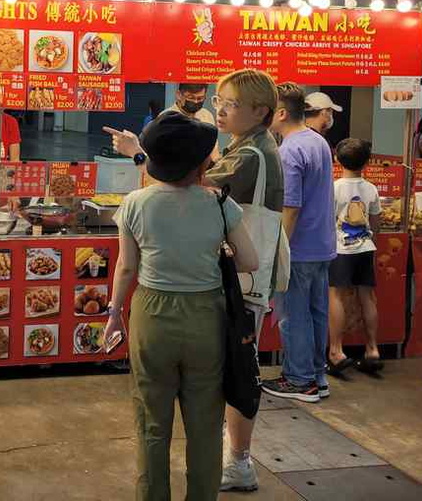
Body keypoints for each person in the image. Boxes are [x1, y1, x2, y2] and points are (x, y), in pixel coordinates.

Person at [103, 112, 258, 501]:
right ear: (201, 163)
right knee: (205, 426)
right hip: (207, 316)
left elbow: (126, 267)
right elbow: (250, 260)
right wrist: (216, 250)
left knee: (152, 423)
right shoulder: (221, 204)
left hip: (152, 315)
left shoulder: (136, 203)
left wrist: (113, 314)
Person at [205, 70, 284, 492]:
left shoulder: (252, 153)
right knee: (235, 368)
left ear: (260, 112)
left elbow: (198, 188)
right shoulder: (247, 145)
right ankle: (234, 453)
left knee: (237, 371)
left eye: (231, 103)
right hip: (247, 277)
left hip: (246, 280)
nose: (221, 108)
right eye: (220, 100)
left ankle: (239, 462)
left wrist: (146, 156)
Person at [262, 83, 336, 403]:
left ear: (280, 113)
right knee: (316, 312)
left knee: (293, 315)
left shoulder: (289, 151)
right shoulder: (317, 141)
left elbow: (290, 207)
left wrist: (279, 251)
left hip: (299, 247)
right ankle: (317, 377)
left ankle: (298, 379)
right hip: (322, 244)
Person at [328, 138, 383, 375]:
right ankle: (372, 349)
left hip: (340, 250)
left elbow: (326, 221)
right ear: (367, 163)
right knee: (367, 297)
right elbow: (376, 222)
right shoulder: (371, 188)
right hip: (365, 248)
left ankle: (336, 351)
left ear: (337, 160)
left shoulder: (333, 188)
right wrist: (371, 242)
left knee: (336, 296)